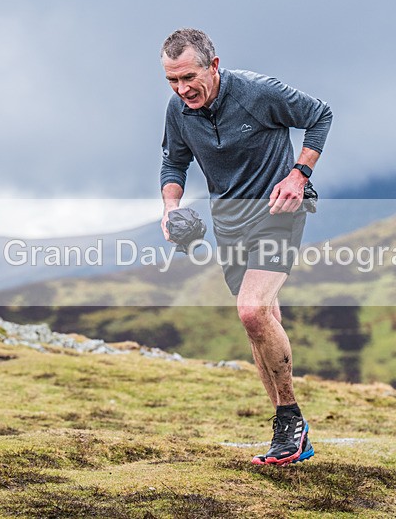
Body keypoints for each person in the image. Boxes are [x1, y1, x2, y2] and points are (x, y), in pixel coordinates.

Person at [159, 28, 332, 465]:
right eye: (172, 81)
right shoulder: (178, 110)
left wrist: (298, 176)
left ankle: (291, 419)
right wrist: (171, 209)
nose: (182, 89)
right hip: (228, 225)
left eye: (189, 78)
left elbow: (320, 114)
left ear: (213, 66)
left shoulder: (258, 92)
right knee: (261, 320)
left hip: (278, 214)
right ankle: (290, 431)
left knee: (252, 309)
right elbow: (173, 160)